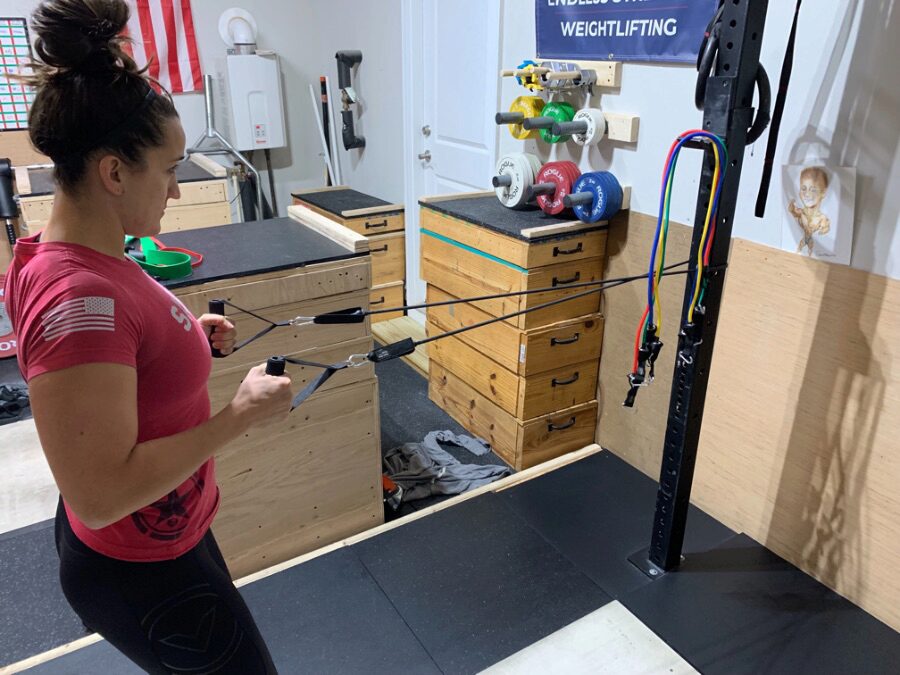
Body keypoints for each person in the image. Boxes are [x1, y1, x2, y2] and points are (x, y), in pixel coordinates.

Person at [4, 1, 292, 672]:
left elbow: (110, 354)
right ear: (112, 172)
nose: (176, 189)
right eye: (168, 170)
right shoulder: (78, 297)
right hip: (138, 563)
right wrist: (239, 415)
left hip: (168, 530)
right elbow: (99, 494)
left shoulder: (86, 256)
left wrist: (182, 335)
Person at [788, 166, 831, 256]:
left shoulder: (822, 218)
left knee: (810, 252)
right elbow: (792, 212)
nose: (807, 194)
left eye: (813, 190)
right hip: (800, 244)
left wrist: (824, 229)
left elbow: (826, 228)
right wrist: (791, 207)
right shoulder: (801, 212)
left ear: (823, 193)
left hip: (813, 245)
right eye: (803, 189)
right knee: (799, 249)